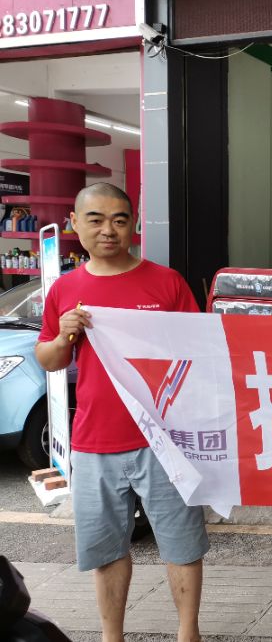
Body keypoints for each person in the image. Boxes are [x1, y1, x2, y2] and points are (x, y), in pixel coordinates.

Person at [35, 183, 208, 642]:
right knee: (106, 550)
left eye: (119, 219)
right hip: (95, 441)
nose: (108, 230)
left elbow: (197, 351)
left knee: (182, 545)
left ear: (133, 225)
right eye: (95, 220)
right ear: (76, 224)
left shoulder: (166, 282)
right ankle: (112, 636)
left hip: (165, 440)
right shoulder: (65, 290)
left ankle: (188, 633)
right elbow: (49, 359)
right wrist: (64, 336)